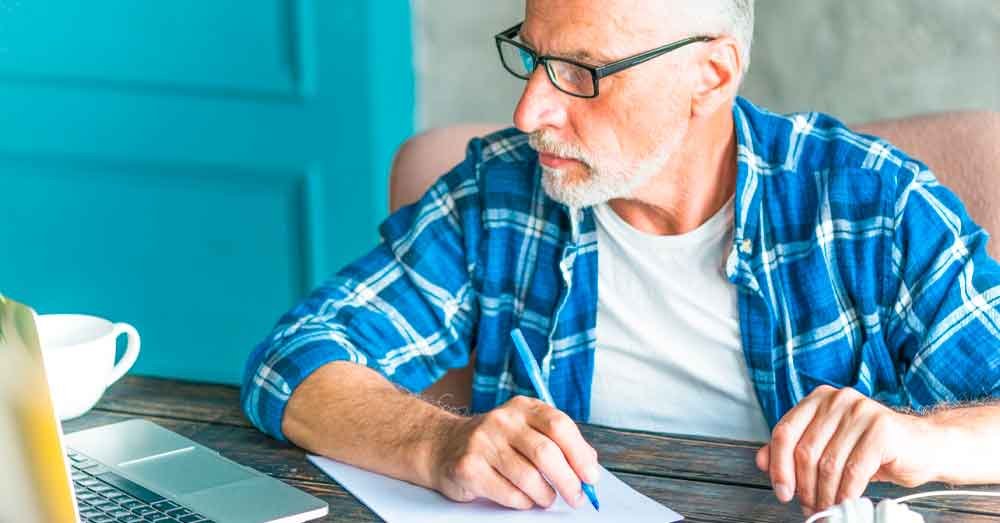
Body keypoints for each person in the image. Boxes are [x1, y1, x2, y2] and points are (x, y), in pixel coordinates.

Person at [241, 0, 1000, 516]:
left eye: (581, 72)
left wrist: (920, 437)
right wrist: (436, 440)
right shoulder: (500, 193)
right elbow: (293, 360)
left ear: (710, 74)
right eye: (532, 57)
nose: (529, 110)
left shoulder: (872, 203)